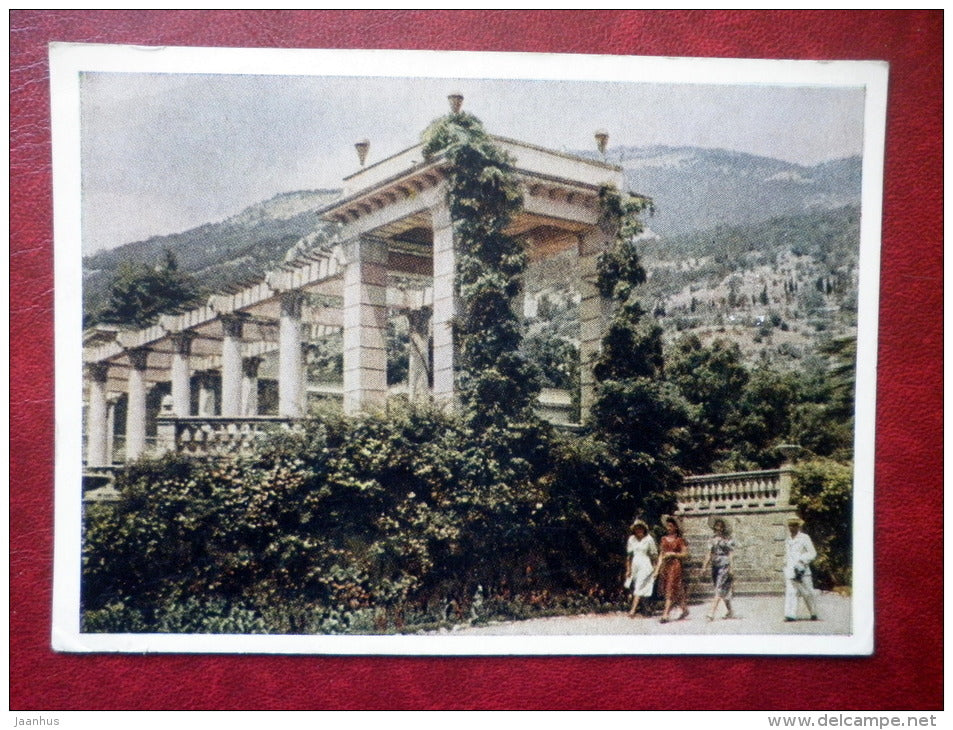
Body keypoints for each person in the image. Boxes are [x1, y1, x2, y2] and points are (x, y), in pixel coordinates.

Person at [655, 515, 689, 623]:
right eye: (667, 526)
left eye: (671, 526)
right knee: (672, 589)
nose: (668, 528)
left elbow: (685, 554)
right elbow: (661, 554)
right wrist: (657, 569)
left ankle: (665, 614)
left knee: (670, 588)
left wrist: (673, 554)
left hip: (675, 566)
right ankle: (684, 609)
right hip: (665, 566)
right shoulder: (663, 539)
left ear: (675, 527)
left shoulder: (679, 540)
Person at [784, 516, 819, 621]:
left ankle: (813, 613)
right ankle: (790, 615)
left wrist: (802, 560)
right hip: (791, 570)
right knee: (791, 592)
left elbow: (812, 553)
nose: (792, 528)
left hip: (802, 570)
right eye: (790, 525)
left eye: (794, 525)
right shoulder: (788, 539)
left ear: (798, 526)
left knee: (807, 593)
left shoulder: (804, 538)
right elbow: (787, 554)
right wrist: (786, 565)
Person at [701, 517, 735, 621]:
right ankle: (730, 610)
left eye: (721, 526)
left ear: (723, 528)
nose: (719, 528)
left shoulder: (727, 539)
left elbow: (731, 553)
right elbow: (709, 553)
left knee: (719, 588)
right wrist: (704, 566)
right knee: (720, 588)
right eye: (717, 526)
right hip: (715, 564)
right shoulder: (711, 539)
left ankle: (711, 613)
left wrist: (731, 567)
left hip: (724, 563)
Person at [624, 519, 658, 617]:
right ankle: (646, 609)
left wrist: (655, 568)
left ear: (644, 529)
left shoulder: (649, 539)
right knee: (641, 587)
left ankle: (633, 610)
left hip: (645, 565)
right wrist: (628, 569)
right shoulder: (631, 539)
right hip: (635, 565)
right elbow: (629, 556)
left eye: (640, 529)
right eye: (636, 529)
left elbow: (654, 555)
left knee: (639, 586)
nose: (638, 531)